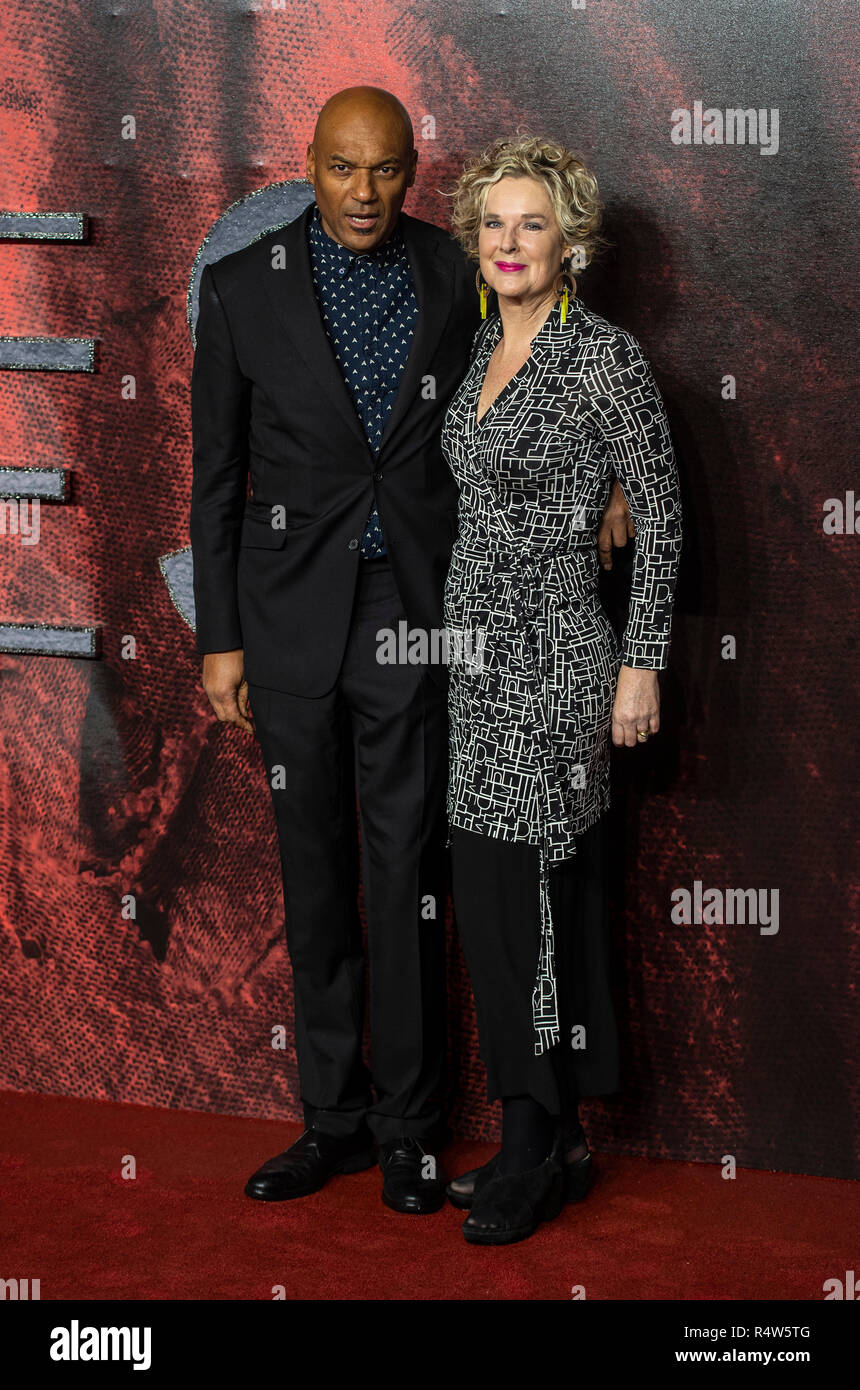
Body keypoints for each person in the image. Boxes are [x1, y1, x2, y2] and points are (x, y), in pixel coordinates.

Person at [190, 89, 632, 1216]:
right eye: (343, 168)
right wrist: (221, 641)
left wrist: (614, 475)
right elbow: (215, 480)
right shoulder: (242, 291)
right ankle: (330, 1121)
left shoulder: (455, 271)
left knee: (408, 875)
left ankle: (410, 1131)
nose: (364, 192)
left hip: (420, 613)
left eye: (386, 170)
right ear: (310, 167)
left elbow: (551, 353)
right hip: (285, 618)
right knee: (314, 876)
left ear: (412, 172)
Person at [440, 134, 683, 1245]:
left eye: (529, 223)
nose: (507, 241)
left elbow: (661, 514)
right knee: (495, 895)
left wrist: (639, 663)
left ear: (571, 241)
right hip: (472, 661)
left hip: (554, 661)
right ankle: (559, 1136)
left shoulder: (603, 359)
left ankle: (532, 1143)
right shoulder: (478, 344)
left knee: (533, 893)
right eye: (492, 222)